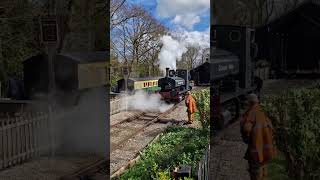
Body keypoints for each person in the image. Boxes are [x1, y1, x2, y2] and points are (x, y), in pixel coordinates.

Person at [240, 93, 276, 180]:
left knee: (256, 172)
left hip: (257, 149)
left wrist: (246, 135)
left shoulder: (252, 113)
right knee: (263, 168)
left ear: (250, 103)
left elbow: (247, 129)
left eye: (247, 103)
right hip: (268, 148)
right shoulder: (263, 110)